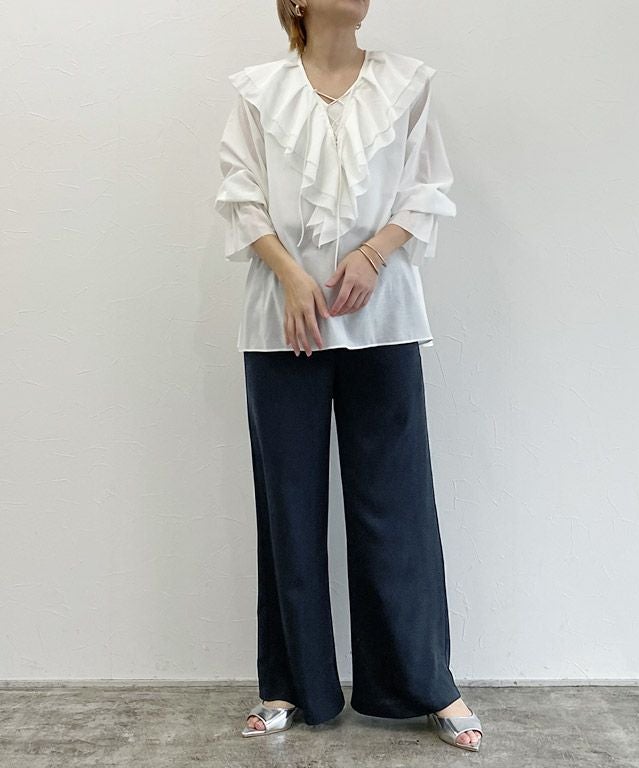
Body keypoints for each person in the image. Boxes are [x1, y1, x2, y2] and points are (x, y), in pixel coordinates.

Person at [213, 0, 483, 753]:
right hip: (284, 321)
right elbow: (241, 194)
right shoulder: (259, 89)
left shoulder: (407, 83)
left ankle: (426, 681)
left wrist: (370, 254)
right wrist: (292, 277)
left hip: (383, 317)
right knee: (289, 505)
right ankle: (289, 684)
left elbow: (424, 190)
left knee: (397, 502)